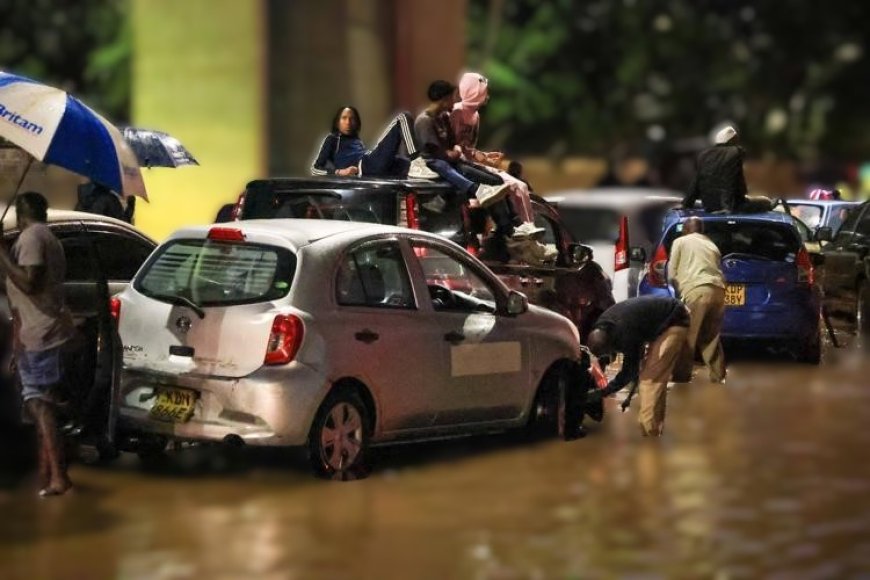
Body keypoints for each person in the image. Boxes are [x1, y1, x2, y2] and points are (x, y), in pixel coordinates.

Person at [0, 192, 76, 496]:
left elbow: (30, 283)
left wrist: (2, 253)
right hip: (39, 334)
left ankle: (59, 476)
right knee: (41, 404)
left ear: (21, 215)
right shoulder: (47, 237)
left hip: (43, 336)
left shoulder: (32, 237)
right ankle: (48, 474)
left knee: (39, 405)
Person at [586, 296, 690, 437]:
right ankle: (655, 426)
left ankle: (648, 434)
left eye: (609, 352)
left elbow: (630, 369)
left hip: (674, 320)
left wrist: (605, 391)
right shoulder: (604, 326)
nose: (611, 355)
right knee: (652, 376)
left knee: (650, 380)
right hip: (662, 320)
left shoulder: (624, 331)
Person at [450, 72, 536, 228]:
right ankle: (518, 229)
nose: (487, 94)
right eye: (484, 90)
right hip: (460, 167)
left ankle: (528, 229)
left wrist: (484, 156)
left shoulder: (475, 116)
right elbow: (452, 146)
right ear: (475, 90)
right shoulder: (456, 112)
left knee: (521, 186)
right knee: (509, 186)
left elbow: (468, 148)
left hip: (470, 164)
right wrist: (477, 157)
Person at [413, 80, 509, 208]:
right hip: (435, 162)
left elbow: (453, 143)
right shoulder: (424, 121)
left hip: (452, 160)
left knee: (495, 179)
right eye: (452, 98)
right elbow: (435, 152)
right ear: (444, 99)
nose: (454, 101)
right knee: (445, 166)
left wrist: (457, 151)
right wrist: (452, 154)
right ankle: (475, 191)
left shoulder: (444, 118)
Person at [668, 217, 726, 383]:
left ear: (686, 229)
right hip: (718, 290)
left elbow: (672, 273)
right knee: (711, 336)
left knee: (687, 336)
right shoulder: (711, 245)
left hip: (696, 289)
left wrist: (679, 293)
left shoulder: (680, 241)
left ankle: (681, 377)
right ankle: (718, 376)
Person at [311, 106, 430, 179]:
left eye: (351, 119)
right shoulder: (332, 139)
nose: (348, 122)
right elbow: (316, 169)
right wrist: (340, 172)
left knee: (427, 170)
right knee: (403, 117)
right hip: (367, 165)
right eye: (344, 118)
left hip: (375, 165)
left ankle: (434, 201)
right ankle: (416, 159)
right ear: (337, 121)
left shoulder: (355, 139)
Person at [683, 126, 771, 213]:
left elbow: (695, 182)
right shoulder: (734, 153)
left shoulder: (704, 155)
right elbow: (729, 180)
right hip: (732, 205)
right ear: (731, 140)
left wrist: (686, 204)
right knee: (765, 202)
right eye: (735, 139)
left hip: (708, 206)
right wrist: (726, 207)